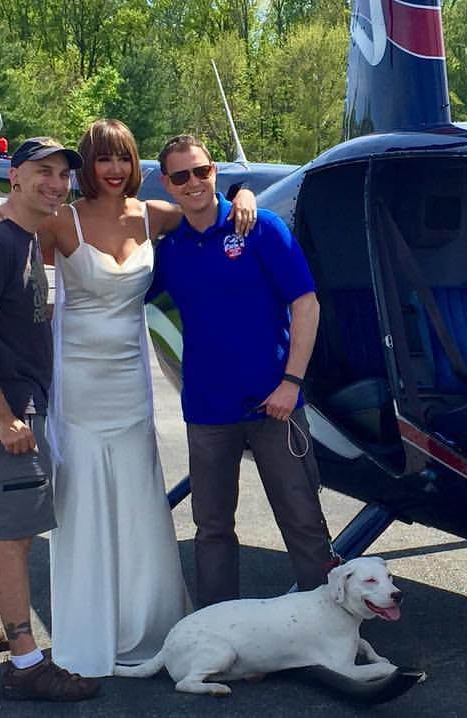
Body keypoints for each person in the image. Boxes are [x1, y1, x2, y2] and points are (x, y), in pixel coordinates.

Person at [0, 119, 258, 678]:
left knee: (137, 495)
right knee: (83, 499)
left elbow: (207, 208)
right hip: (77, 380)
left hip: (131, 382)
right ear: (87, 166)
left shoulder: (154, 215)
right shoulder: (62, 221)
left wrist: (241, 192)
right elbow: (11, 230)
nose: (115, 170)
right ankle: (90, 625)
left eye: (123, 158)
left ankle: (149, 622)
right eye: (103, 160)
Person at [147, 134, 334, 609]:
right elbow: (109, 270)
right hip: (208, 411)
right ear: (167, 184)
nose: (193, 182)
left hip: (277, 405)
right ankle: (216, 631)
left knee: (304, 521)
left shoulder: (261, 228)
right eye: (181, 176)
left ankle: (330, 632)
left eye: (201, 171)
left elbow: (307, 305)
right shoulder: (170, 251)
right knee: (211, 529)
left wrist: (291, 384)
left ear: (215, 172)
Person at [0, 136, 100, 701]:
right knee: (16, 536)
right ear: (13, 176)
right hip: (7, 414)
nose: (56, 183)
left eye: (63, 175)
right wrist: (8, 417)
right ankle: (27, 664)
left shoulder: (23, 236)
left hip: (3, 411)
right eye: (43, 172)